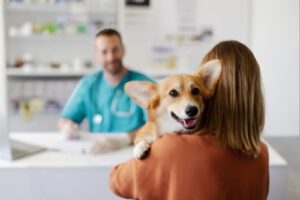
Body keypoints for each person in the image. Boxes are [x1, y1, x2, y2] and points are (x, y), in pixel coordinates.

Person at [109, 40, 269, 200]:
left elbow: (116, 182)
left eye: (195, 91)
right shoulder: (261, 153)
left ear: (209, 91)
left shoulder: (168, 148)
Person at [58, 29, 154, 154]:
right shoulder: (88, 85)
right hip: (98, 151)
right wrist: (67, 127)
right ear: (97, 55)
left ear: (123, 50)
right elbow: (65, 119)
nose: (111, 57)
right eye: (104, 52)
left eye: (115, 49)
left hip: (134, 153)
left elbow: (156, 126)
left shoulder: (143, 85)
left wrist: (124, 140)